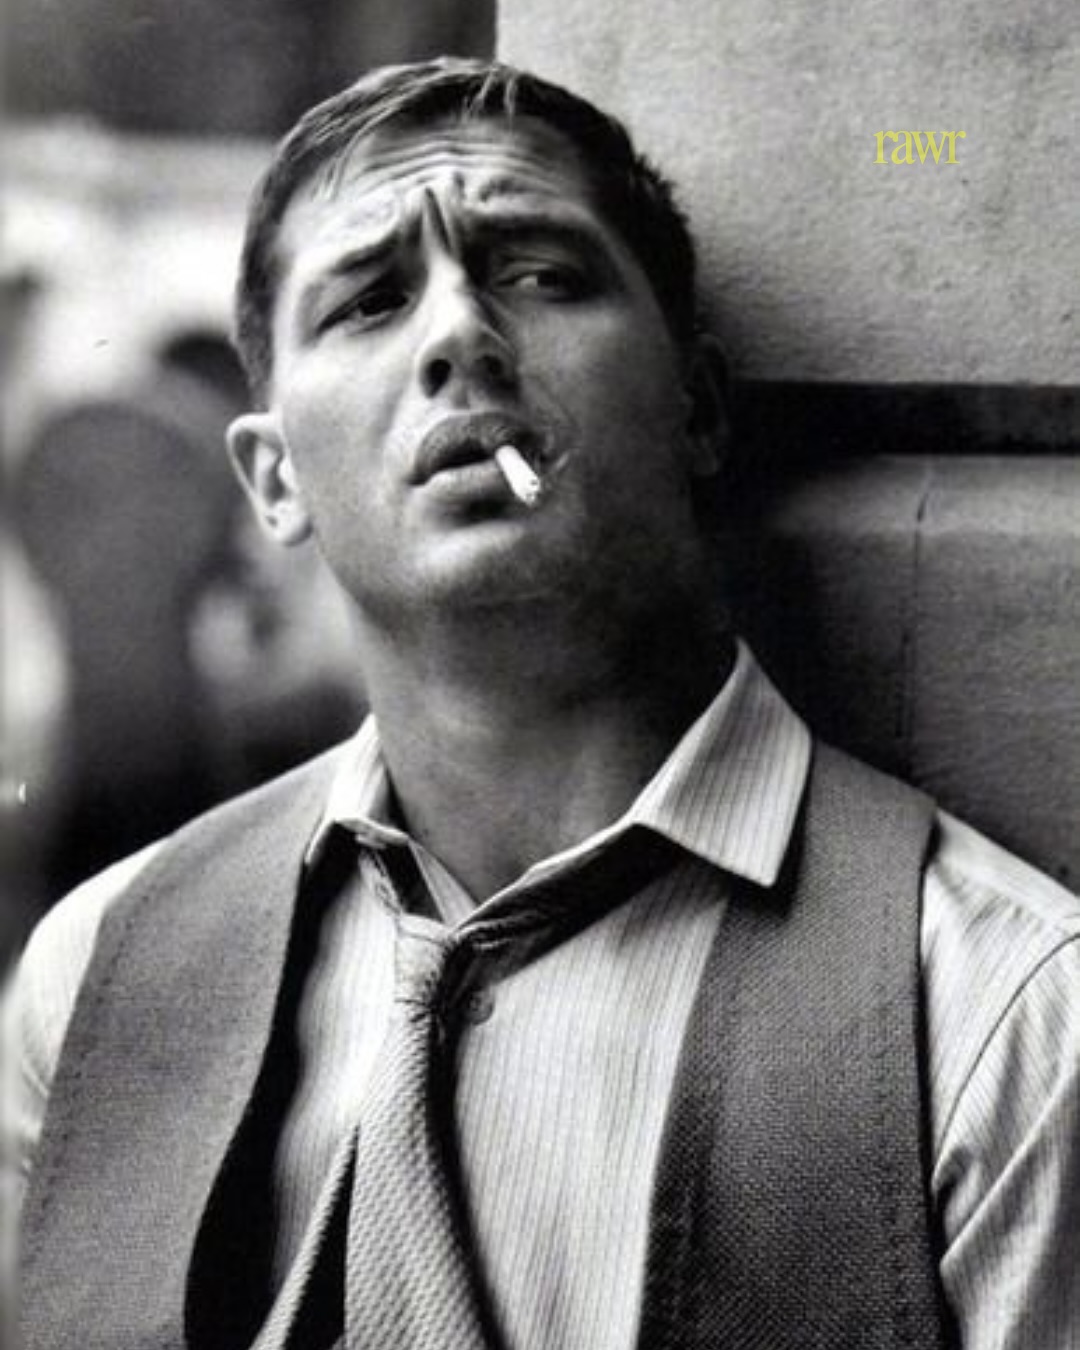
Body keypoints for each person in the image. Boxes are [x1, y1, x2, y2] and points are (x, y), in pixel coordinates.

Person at [4, 57, 1079, 1350]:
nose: (458, 336)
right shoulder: (92, 982)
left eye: (541, 274)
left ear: (697, 407)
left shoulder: (1002, 1023)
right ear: (276, 480)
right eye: (370, 299)